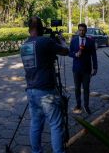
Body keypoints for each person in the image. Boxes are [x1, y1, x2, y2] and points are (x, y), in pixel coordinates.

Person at [20, 16, 69, 153]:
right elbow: (65, 51)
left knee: (36, 124)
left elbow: (40, 58)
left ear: (29, 29)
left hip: (31, 91)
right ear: (41, 28)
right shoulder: (45, 41)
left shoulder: (24, 45)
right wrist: (62, 40)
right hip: (46, 91)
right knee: (55, 124)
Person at [69, 23, 98, 115]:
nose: (81, 32)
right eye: (80, 30)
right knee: (77, 88)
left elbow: (94, 55)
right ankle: (78, 105)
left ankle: (86, 105)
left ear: (86, 31)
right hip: (76, 69)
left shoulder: (90, 41)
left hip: (87, 69)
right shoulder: (73, 41)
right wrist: (75, 54)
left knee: (86, 88)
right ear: (78, 30)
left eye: (83, 30)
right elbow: (69, 53)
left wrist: (95, 67)